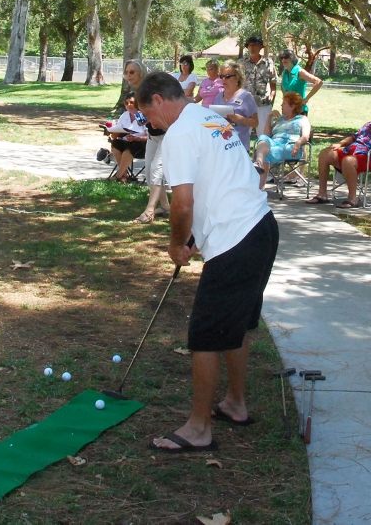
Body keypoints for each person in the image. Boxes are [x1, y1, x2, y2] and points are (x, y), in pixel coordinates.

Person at [136, 71, 278, 453]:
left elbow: (182, 203)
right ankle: (235, 403)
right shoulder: (208, 116)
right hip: (262, 229)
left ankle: (199, 428)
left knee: (205, 336)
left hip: (237, 240)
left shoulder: (180, 132)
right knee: (238, 326)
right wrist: (200, 232)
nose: (150, 124)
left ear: (158, 101)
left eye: (148, 115)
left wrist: (177, 243)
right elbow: (220, 178)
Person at [305, 99, 371, 208]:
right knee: (325, 153)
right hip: (352, 152)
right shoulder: (369, 125)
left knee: (348, 161)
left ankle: (352, 199)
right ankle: (322, 194)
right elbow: (353, 137)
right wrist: (340, 144)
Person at [124, 59, 171, 222]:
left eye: (132, 72)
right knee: (150, 170)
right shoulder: (136, 93)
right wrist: (142, 119)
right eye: (126, 72)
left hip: (166, 133)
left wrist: (147, 117)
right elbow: (143, 116)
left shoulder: (149, 88)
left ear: (141, 73)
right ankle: (165, 207)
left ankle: (149, 211)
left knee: (157, 170)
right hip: (153, 134)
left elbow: (160, 109)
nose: (128, 75)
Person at [252, 91, 311, 189]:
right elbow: (267, 135)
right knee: (262, 138)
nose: (281, 105)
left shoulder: (302, 119)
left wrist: (297, 144)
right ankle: (259, 162)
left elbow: (306, 136)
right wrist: (269, 117)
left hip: (290, 147)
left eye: (284, 103)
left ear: (292, 106)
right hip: (275, 144)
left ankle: (260, 187)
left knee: (265, 153)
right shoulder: (281, 119)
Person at [212, 61, 258, 150]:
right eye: (222, 76)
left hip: (239, 146)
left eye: (228, 76)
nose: (224, 79)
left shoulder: (246, 96)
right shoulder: (218, 97)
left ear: (237, 77)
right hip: (220, 146)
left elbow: (255, 122)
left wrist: (241, 119)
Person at [105, 92, 148, 182]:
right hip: (126, 141)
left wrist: (135, 138)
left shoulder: (141, 115)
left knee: (129, 148)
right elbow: (119, 129)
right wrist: (113, 132)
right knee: (115, 144)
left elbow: (149, 136)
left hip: (141, 144)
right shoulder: (124, 115)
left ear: (137, 103)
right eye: (126, 103)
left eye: (131, 102)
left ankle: (118, 176)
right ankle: (124, 175)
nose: (129, 105)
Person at [277, 49, 323, 114]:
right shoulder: (285, 72)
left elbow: (319, 82)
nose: (283, 60)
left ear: (292, 58)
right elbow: (282, 87)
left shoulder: (300, 71)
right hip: (287, 111)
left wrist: (306, 99)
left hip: (299, 111)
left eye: (286, 57)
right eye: (281, 58)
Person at [240, 35, 277, 113]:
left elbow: (273, 83)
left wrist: (271, 100)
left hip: (263, 104)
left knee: (263, 125)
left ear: (260, 47)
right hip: (245, 104)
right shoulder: (241, 63)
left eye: (255, 45)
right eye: (250, 45)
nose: (252, 48)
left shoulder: (268, 63)